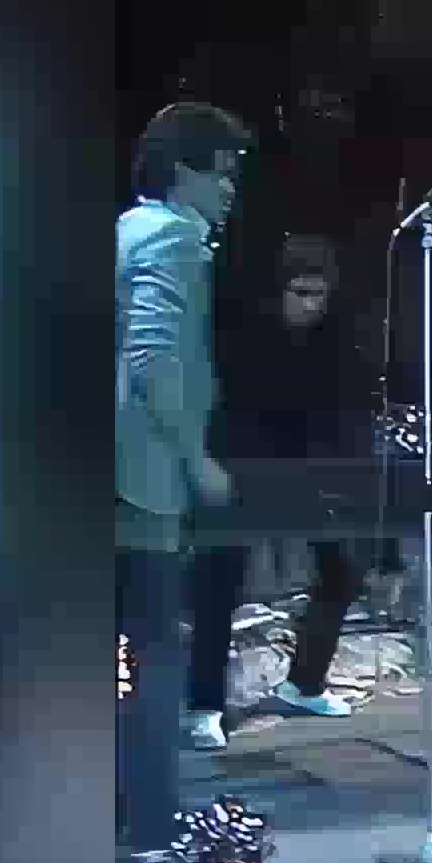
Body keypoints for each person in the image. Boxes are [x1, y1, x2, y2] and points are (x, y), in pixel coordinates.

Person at [116, 101, 250, 863]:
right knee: (153, 656)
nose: (229, 188)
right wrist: (196, 459)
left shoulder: (125, 229)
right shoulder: (173, 236)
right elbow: (151, 357)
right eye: (220, 172)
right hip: (139, 477)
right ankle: (147, 828)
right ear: (181, 171)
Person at [183, 235, 376, 750]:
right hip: (243, 463)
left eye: (319, 295)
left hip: (309, 468)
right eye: (300, 293)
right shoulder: (243, 335)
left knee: (342, 567)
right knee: (219, 578)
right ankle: (204, 705)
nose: (311, 305)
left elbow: (343, 407)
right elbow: (227, 405)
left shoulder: (336, 339)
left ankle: (304, 684)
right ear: (279, 291)